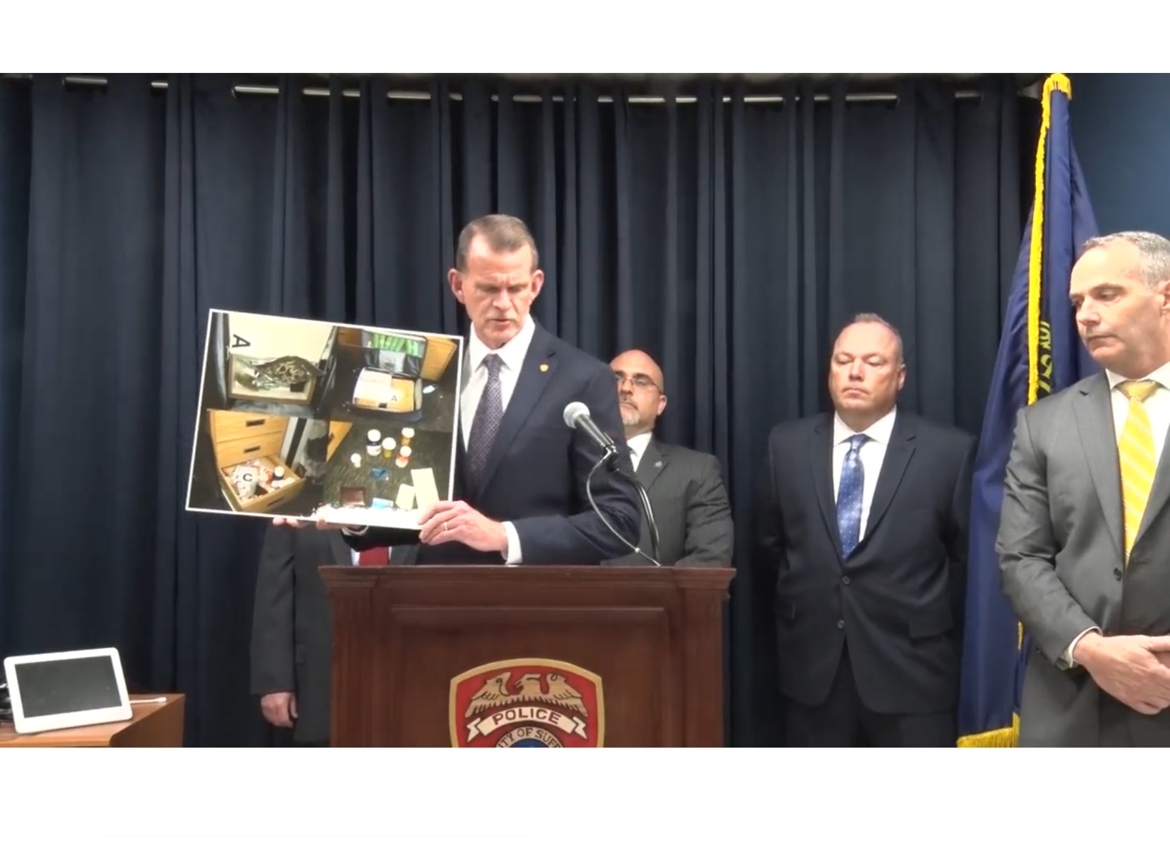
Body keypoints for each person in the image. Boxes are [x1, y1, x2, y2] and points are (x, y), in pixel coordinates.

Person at [277, 213, 640, 566]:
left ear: (536, 285)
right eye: (487, 288)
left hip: (539, 610)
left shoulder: (583, 379)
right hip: (437, 607)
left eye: (515, 288)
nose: (502, 303)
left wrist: (504, 536)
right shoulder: (430, 376)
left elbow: (619, 521)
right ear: (457, 285)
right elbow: (415, 511)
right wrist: (351, 516)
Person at [757, 313, 975, 747]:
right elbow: (769, 548)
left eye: (873, 362)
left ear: (900, 377)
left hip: (913, 678)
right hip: (812, 678)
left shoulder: (949, 452)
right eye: (844, 360)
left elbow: (964, 562)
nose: (855, 372)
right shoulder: (786, 446)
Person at [998, 231, 1170, 747]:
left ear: (1165, 296)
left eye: (1106, 295)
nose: (1085, 315)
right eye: (1077, 302)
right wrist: (1092, 649)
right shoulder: (1041, 424)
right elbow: (1020, 557)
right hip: (1071, 708)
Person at [250, 522, 413, 746]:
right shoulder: (300, 498)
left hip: (411, 684)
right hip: (318, 684)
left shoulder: (432, 494)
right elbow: (274, 591)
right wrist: (275, 682)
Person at [602, 348, 733, 567]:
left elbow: (710, 560)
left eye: (641, 381)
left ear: (661, 404)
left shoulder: (696, 471)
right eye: (615, 378)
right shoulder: (564, 461)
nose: (625, 388)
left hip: (654, 601)